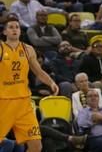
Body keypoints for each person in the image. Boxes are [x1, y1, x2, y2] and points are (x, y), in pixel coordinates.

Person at [0, 17, 59, 152]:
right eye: (11, 27)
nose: (14, 29)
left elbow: (38, 71)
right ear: (5, 32)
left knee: (36, 146)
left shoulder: (28, 49)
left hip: (24, 104)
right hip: (3, 102)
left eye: (17, 27)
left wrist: (51, 82)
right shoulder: (1, 48)